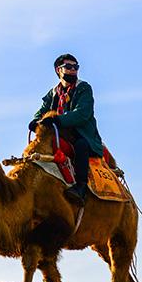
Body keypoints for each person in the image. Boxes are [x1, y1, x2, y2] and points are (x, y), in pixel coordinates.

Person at [28, 53, 104, 205]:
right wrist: (36, 122)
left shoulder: (83, 88)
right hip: (58, 135)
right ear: (58, 70)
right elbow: (42, 111)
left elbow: (83, 113)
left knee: (81, 146)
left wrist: (57, 119)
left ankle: (81, 187)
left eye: (75, 67)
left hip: (81, 135)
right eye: (68, 67)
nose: (73, 70)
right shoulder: (53, 93)